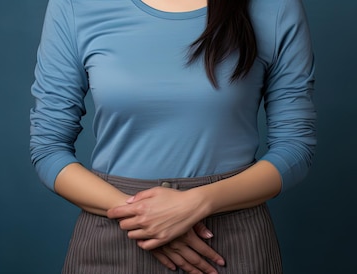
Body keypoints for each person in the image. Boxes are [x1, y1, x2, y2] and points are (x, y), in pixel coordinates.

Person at [29, 0, 316, 273]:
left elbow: (295, 148)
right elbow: (49, 149)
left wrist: (200, 202)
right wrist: (144, 218)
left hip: (230, 242)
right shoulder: (75, 5)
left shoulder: (274, 7)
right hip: (113, 237)